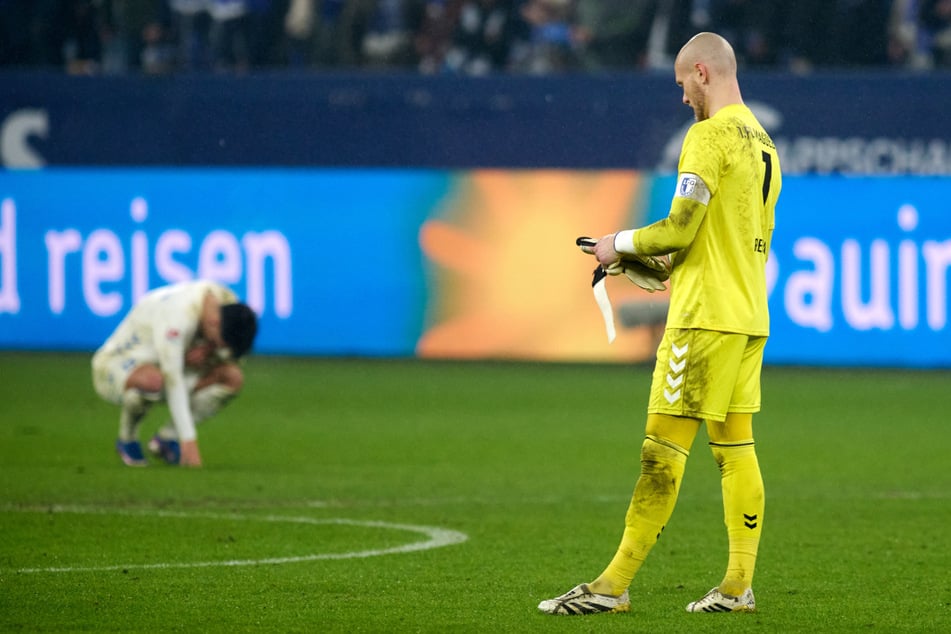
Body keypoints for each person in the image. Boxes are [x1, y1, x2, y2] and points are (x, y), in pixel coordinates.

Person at [538, 31, 781, 615]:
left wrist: (614, 244)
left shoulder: (708, 134)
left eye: (681, 85)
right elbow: (711, 235)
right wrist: (654, 260)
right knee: (736, 450)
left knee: (661, 455)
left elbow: (678, 224)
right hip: (747, 317)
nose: (682, 99)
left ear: (702, 71)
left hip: (702, 321)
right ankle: (737, 586)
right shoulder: (764, 143)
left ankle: (611, 586)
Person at [92, 280, 258, 468]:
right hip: (118, 365)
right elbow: (173, 380)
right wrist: (189, 441)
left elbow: (231, 356)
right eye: (219, 344)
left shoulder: (227, 304)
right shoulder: (178, 318)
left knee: (232, 377)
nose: (221, 350)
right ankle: (127, 439)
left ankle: (166, 439)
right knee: (155, 381)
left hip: (171, 367)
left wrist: (210, 350)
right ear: (214, 324)